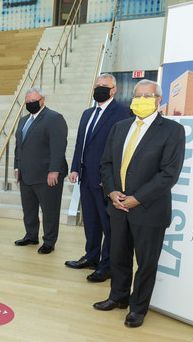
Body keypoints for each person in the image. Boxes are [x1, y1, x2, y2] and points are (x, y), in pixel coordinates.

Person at [94, 80, 185, 328]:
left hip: (149, 208)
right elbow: (107, 164)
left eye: (148, 95)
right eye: (138, 95)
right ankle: (118, 297)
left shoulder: (172, 131)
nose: (142, 99)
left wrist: (137, 198)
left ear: (158, 100)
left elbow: (169, 174)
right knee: (119, 256)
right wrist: (112, 191)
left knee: (145, 263)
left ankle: (138, 308)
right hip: (118, 205)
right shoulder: (120, 127)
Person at [65, 74, 131, 282]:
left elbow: (121, 149)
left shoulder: (122, 113)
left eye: (104, 86)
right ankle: (91, 257)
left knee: (108, 225)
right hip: (85, 177)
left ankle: (107, 265)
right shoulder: (87, 113)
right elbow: (80, 144)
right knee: (91, 222)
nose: (99, 89)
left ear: (113, 90)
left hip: (105, 182)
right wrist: (75, 167)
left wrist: (111, 178)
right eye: (97, 86)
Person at [13, 88, 68, 254]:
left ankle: (49, 241)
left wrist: (54, 170)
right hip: (26, 173)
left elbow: (58, 147)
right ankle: (31, 235)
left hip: (47, 175)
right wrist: (17, 167)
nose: (30, 104)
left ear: (42, 100)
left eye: (33, 101)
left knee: (49, 211)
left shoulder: (54, 118)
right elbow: (19, 147)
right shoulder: (23, 120)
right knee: (28, 209)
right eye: (27, 102)